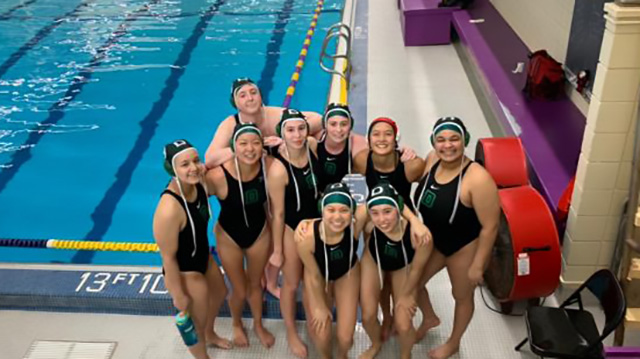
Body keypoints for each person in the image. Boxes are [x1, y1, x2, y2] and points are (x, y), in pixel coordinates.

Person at [412, 117, 499, 359]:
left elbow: (491, 227)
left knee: (461, 296)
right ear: (434, 142)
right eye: (441, 140)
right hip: (434, 241)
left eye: (454, 139)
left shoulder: (478, 179)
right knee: (413, 283)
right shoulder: (432, 160)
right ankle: (430, 318)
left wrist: (478, 266)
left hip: (463, 247)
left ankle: (453, 343)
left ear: (465, 141)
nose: (447, 146)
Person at [152, 140, 232, 359]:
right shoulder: (169, 209)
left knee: (220, 293)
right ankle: (202, 357)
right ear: (172, 169)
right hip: (185, 269)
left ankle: (210, 333)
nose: (193, 168)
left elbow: (217, 160)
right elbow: (168, 259)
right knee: (196, 319)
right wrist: (178, 295)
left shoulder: (199, 182)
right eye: (185, 164)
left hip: (203, 258)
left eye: (196, 161)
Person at [353, 116, 425, 339]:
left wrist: (416, 221)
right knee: (380, 275)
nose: (382, 139)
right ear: (368, 139)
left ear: (396, 139)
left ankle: (404, 315)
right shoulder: (362, 160)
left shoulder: (412, 165)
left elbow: (434, 177)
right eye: (376, 134)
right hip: (376, 223)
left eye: (387, 134)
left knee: (400, 277)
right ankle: (387, 317)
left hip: (403, 227)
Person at [204, 124, 275, 349]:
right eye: (243, 143)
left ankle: (257, 325)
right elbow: (190, 196)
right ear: (234, 146)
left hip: (260, 234)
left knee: (255, 285)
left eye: (255, 142)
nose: (250, 149)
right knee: (240, 288)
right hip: (228, 237)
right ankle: (236, 324)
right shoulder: (218, 175)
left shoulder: (269, 167)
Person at [267, 108, 321, 358]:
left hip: (315, 225)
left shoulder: (311, 146)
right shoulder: (278, 170)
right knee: (291, 283)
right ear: (282, 133)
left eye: (301, 128)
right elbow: (277, 214)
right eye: (290, 130)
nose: (297, 135)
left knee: (316, 275)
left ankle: (315, 317)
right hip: (290, 227)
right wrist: (277, 251)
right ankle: (290, 332)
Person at [359, 183, 432, 359]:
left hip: (403, 265)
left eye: (387, 211)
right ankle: (376, 344)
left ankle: (406, 355)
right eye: (375, 213)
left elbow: (417, 270)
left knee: (404, 324)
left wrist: (407, 296)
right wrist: (306, 224)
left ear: (398, 209)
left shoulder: (419, 236)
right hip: (374, 259)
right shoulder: (366, 219)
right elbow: (334, 217)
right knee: (368, 316)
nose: (381, 220)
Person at [294, 182, 363, 359]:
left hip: (347, 273)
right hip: (317, 276)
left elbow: (388, 205)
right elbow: (314, 275)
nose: (337, 217)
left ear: (352, 212)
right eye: (331, 210)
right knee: (321, 333)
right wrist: (318, 306)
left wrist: (416, 222)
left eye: (344, 210)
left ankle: (341, 355)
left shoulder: (357, 223)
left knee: (346, 338)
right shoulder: (307, 238)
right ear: (322, 211)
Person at [205, 78, 323, 168]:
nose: (250, 98)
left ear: (260, 96)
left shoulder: (274, 115)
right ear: (234, 103)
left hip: (282, 165)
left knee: (317, 136)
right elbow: (210, 159)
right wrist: (250, 146)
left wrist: (288, 136)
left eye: (253, 92)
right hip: (253, 169)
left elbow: (318, 119)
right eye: (243, 95)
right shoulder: (231, 124)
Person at [318, 104, 416, 187]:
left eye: (344, 124)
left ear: (350, 126)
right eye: (333, 124)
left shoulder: (358, 145)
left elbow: (382, 148)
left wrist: (402, 151)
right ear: (325, 125)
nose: (339, 130)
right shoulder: (313, 142)